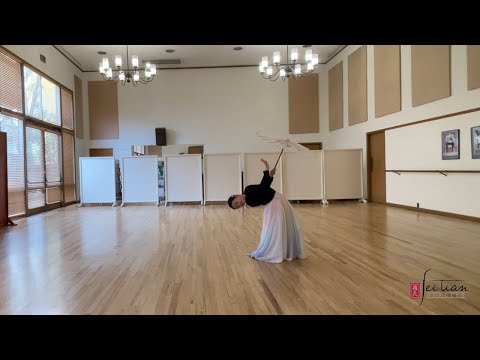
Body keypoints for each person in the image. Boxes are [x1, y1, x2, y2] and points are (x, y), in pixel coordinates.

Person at [227, 159, 306, 263]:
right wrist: (268, 174)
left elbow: (263, 187)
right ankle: (278, 251)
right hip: (273, 203)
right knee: (273, 228)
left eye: (237, 202)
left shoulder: (248, 189)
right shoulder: (250, 202)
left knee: (279, 227)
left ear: (236, 196)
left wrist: (268, 172)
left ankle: (283, 251)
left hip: (277, 200)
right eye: (238, 206)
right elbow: (264, 188)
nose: (240, 204)